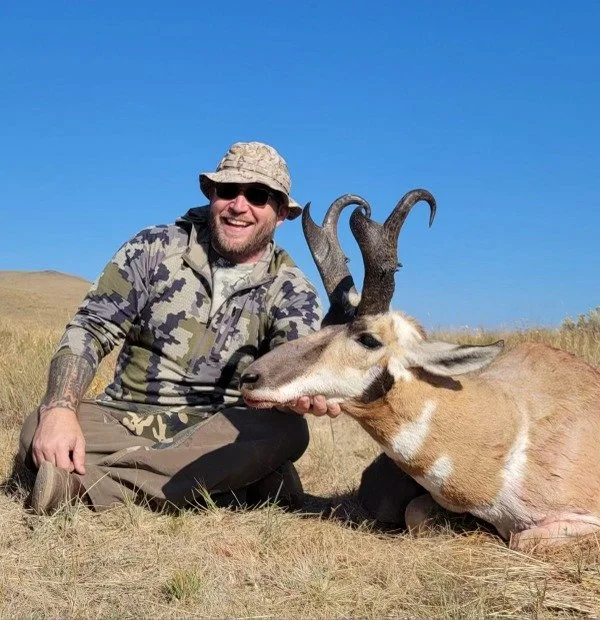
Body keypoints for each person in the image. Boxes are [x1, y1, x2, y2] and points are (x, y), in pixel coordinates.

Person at [19, 141, 340, 515]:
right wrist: (60, 409)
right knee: (37, 426)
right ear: (211, 194)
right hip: (125, 417)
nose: (239, 206)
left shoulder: (292, 288)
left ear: (281, 212)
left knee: (287, 432)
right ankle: (230, 486)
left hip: (219, 428)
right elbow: (90, 329)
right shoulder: (153, 248)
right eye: (228, 190)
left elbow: (293, 360)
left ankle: (85, 484)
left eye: (257, 196)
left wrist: (301, 392)